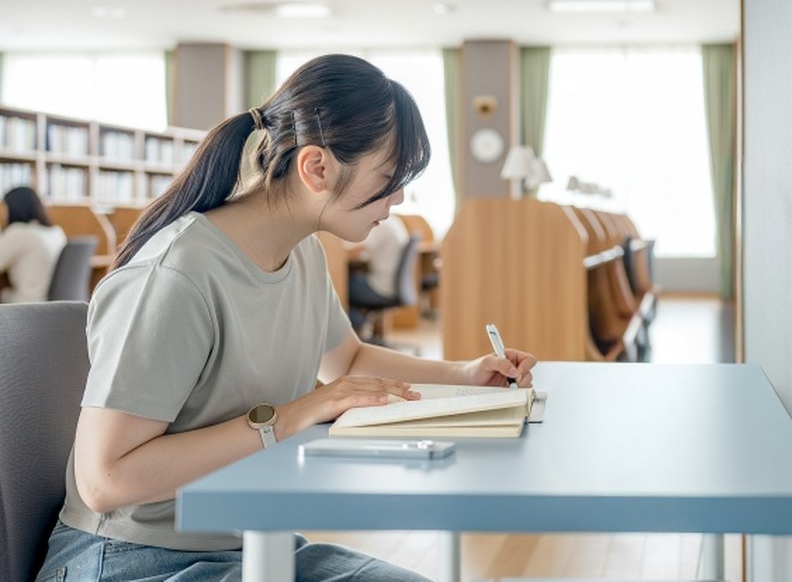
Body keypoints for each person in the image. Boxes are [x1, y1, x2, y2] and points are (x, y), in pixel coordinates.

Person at [37, 54, 536, 582]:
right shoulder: (177, 275)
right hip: (130, 560)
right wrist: (295, 414)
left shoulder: (303, 254)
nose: (399, 198)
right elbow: (105, 480)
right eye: (388, 179)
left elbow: (347, 361)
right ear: (317, 168)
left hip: (250, 540)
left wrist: (465, 374)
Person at [0, 186, 67, 303]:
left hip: (29, 303)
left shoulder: (19, 232)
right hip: (55, 306)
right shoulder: (56, 232)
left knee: (4, 294)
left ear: (12, 208)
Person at [347, 212, 410, 331]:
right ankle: (360, 325)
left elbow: (356, 252)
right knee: (353, 280)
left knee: (340, 287)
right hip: (393, 286)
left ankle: (357, 325)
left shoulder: (381, 224)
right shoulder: (395, 221)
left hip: (381, 287)